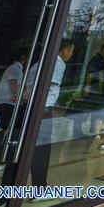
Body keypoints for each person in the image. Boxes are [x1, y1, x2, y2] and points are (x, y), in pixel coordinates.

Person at [28, 39, 74, 188]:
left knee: (27, 147)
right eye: (71, 50)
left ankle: (6, 193)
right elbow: (47, 86)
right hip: (42, 108)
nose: (71, 54)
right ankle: (40, 188)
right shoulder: (58, 63)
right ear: (64, 50)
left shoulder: (42, 62)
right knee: (42, 148)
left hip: (30, 106)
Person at [0, 47, 29, 164]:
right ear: (23, 57)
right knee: (2, 130)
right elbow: (15, 90)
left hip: (8, 104)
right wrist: (25, 97)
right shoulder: (15, 69)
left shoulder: (16, 69)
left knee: (2, 130)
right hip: (6, 104)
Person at [84, 42, 104, 149]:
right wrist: (87, 87)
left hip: (97, 89)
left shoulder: (103, 60)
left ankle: (93, 131)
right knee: (95, 110)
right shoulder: (96, 60)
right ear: (103, 49)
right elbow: (90, 75)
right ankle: (94, 132)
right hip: (94, 88)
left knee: (96, 111)